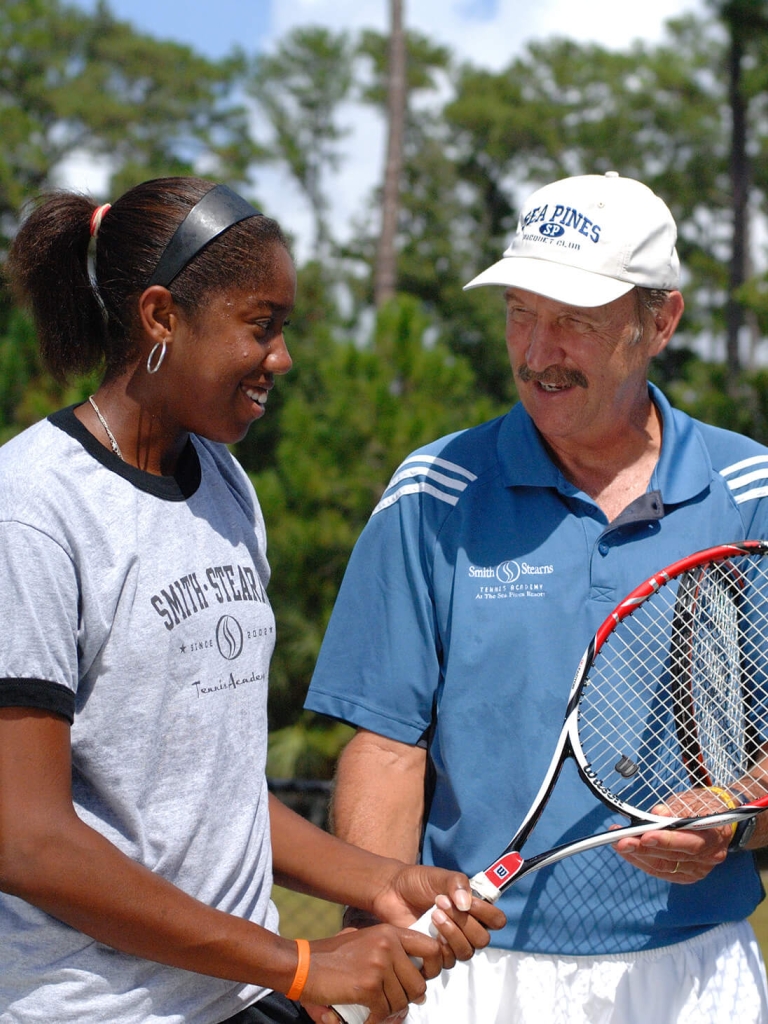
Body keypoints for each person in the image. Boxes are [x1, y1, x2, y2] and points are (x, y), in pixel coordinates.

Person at [0, 177, 504, 1024]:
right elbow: (28, 839)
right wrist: (300, 964)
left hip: (241, 996)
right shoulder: (33, 512)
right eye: (261, 325)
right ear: (161, 317)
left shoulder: (225, 487)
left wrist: (381, 880)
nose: (282, 357)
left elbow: (212, 790)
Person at [304, 171, 768, 1023]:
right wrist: (372, 926)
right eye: (521, 312)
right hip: (471, 973)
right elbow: (388, 747)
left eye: (574, 323)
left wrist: (733, 820)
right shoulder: (432, 491)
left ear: (659, 321)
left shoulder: (753, 493)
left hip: (698, 977)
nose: (537, 351)